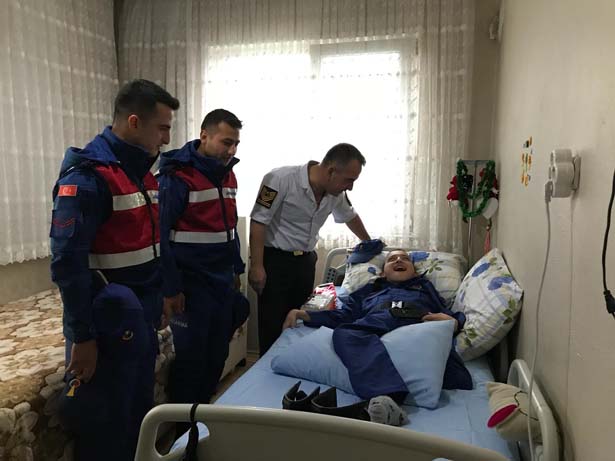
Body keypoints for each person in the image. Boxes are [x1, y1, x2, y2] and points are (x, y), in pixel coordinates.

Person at [50, 79, 179, 461]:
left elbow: (152, 247)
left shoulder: (143, 174)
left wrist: (160, 297)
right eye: (162, 128)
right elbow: (68, 264)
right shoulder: (88, 176)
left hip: (138, 316)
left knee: (137, 415)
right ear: (134, 122)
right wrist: (82, 337)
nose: (166, 139)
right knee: (105, 425)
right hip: (103, 324)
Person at [283, 249, 472, 402]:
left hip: (418, 322)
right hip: (379, 319)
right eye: (392, 259)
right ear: (383, 272)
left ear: (414, 271)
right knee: (345, 333)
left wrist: (453, 322)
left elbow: (446, 311)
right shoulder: (369, 290)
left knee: (453, 374)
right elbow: (345, 315)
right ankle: (388, 395)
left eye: (405, 259)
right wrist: (303, 314)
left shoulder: (425, 287)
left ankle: (389, 390)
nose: (399, 260)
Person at [157, 109, 248, 406]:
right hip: (191, 284)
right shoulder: (177, 176)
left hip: (221, 281)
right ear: (204, 136)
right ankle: (182, 425)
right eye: (226, 142)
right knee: (191, 362)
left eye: (236, 143)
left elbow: (229, 228)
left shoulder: (228, 173)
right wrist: (171, 288)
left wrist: (236, 269)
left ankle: (203, 416)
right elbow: (160, 238)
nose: (231, 150)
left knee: (216, 355)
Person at [248, 143, 371, 356]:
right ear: (331, 171)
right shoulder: (278, 179)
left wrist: (370, 243)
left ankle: (294, 366)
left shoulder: (335, 193)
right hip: (276, 262)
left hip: (305, 263)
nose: (350, 187)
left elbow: (350, 217)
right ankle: (267, 369)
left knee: (300, 322)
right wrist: (257, 266)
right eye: (349, 180)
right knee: (272, 324)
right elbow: (259, 221)